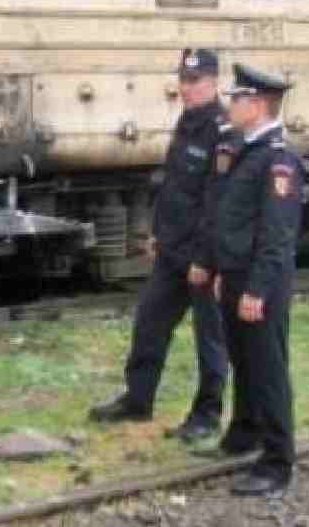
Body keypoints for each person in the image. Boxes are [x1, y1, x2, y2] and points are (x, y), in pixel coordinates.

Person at [89, 49, 229, 442]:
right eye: (183, 80)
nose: (187, 88)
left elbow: (217, 205)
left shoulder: (222, 131)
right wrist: (157, 233)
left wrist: (205, 259)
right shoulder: (187, 122)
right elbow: (173, 188)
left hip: (202, 258)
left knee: (210, 339)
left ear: (214, 82)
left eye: (195, 81)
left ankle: (207, 414)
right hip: (172, 252)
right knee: (149, 324)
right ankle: (137, 400)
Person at [213, 64, 302, 496]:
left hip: (259, 283)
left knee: (267, 369)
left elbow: (277, 235)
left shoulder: (278, 160)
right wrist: (225, 274)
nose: (231, 105)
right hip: (236, 276)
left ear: (260, 105)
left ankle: (277, 461)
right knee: (243, 361)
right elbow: (232, 220)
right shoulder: (245, 148)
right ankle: (244, 434)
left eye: (238, 98)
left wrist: (256, 289)